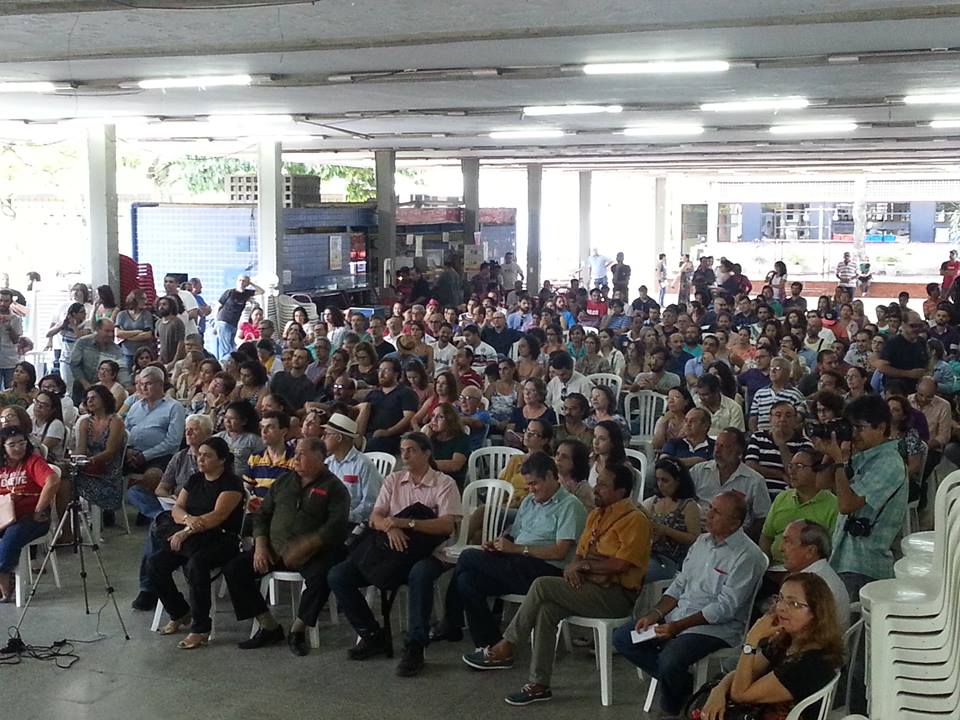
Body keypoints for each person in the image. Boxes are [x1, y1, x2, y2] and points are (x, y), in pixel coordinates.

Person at [463, 464, 651, 707]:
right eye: (597, 482)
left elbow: (619, 565)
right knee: (547, 610)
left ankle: (506, 645)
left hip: (616, 595)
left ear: (621, 490)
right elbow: (579, 556)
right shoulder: (596, 515)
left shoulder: (635, 519)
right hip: (589, 587)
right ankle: (539, 685)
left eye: (603, 485)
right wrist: (580, 566)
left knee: (542, 585)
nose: (596, 488)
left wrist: (583, 567)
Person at [613, 491, 768, 718]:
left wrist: (678, 627)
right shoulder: (702, 543)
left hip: (713, 629)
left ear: (735, 522)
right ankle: (683, 686)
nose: (708, 514)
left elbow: (724, 608)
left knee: (670, 659)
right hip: (678, 616)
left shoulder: (747, 555)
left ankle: (671, 709)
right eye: (710, 508)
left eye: (717, 512)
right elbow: (679, 585)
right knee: (624, 638)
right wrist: (655, 614)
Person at [328, 432, 462, 677]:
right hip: (391, 550)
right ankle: (371, 634)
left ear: (426, 453)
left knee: (420, 574)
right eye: (403, 450)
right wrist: (391, 527)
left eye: (411, 449)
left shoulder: (444, 483)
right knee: (338, 575)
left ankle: (416, 645)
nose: (405, 455)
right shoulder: (394, 480)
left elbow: (446, 526)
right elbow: (375, 517)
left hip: (431, 552)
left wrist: (406, 523)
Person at [434, 452, 587, 646]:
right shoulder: (528, 502)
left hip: (545, 570)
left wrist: (517, 548)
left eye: (534, 483)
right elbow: (514, 535)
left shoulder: (570, 506)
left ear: (550, 476)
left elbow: (559, 552)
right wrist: (498, 544)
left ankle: (451, 622)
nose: (531, 489)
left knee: (468, 556)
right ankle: (491, 644)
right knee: (467, 580)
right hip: (517, 563)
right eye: (528, 485)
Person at [223, 436, 351, 655]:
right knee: (234, 569)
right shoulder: (284, 481)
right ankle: (268, 625)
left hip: (313, 552)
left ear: (319, 457)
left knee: (322, 577)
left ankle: (298, 629)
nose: (296, 458)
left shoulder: (335, 488)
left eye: (302, 453)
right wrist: (261, 544)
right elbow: (262, 515)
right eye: (296, 453)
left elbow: (336, 527)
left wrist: (309, 544)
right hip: (274, 549)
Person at [698, 572, 843, 720]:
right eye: (780, 598)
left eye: (793, 604)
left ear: (816, 613)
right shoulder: (788, 641)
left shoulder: (810, 663)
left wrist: (751, 640)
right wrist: (718, 691)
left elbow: (740, 694)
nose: (781, 608)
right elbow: (746, 672)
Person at [146, 436, 243, 649]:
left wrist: (187, 531)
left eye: (207, 456)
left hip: (221, 537)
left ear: (222, 460)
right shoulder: (195, 479)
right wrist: (188, 521)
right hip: (192, 534)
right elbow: (177, 508)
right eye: (199, 455)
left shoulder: (231, 484)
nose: (201, 459)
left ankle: (200, 627)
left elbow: (217, 516)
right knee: (155, 563)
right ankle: (180, 612)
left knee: (197, 564)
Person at [812, 394, 907, 597]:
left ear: (881, 427)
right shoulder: (862, 456)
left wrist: (839, 461)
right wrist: (830, 452)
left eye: (859, 428)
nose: (853, 434)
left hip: (865, 566)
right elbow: (820, 484)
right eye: (851, 427)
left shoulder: (889, 462)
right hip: (842, 557)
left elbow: (846, 504)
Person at [128, 413, 214, 611]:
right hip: (175, 507)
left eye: (194, 429)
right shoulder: (180, 457)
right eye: (187, 430)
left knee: (156, 527)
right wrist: (171, 496)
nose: (189, 433)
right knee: (135, 493)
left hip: (199, 513)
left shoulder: (214, 458)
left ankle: (147, 589)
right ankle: (158, 514)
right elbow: (161, 488)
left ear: (208, 434)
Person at [0, 426, 60, 600]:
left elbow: (53, 481)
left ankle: (4, 576)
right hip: (5, 515)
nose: (18, 448)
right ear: (3, 447)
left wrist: (39, 509)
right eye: (12, 444)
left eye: (22, 443)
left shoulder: (33, 461)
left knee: (12, 535)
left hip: (32, 516)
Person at [760, 448, 839, 565]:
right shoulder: (782, 497)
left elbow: (831, 550)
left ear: (817, 470)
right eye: (791, 466)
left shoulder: (833, 505)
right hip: (773, 570)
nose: (792, 471)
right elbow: (766, 537)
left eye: (799, 466)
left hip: (809, 574)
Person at [690, 428, 770, 538]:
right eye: (717, 445)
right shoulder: (698, 471)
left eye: (725, 446)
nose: (717, 450)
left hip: (734, 537)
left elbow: (762, 518)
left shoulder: (754, 480)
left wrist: (739, 538)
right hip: (697, 533)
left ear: (739, 451)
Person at [124, 366, 188, 499]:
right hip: (132, 454)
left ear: (160, 384)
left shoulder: (174, 407)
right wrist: (128, 449)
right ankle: (109, 511)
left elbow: (173, 442)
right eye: (141, 384)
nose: (143, 388)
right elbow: (126, 431)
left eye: (148, 384)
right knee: (106, 468)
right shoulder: (136, 406)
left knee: (153, 476)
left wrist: (145, 455)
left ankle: (150, 513)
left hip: (160, 457)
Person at [641, 458, 701, 582]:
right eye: (657, 479)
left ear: (678, 481)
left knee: (637, 573)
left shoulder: (688, 506)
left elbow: (694, 538)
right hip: (647, 553)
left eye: (665, 480)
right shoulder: (653, 502)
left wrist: (667, 531)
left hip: (670, 560)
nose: (660, 484)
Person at [73, 385, 125, 524]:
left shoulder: (115, 421)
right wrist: (72, 458)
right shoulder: (85, 422)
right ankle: (78, 519)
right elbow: (81, 449)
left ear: (104, 399)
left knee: (71, 482)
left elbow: (110, 452)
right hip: (88, 469)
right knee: (66, 479)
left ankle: (91, 519)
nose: (90, 401)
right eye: (87, 398)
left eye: (94, 398)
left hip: (108, 473)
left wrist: (91, 461)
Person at [745, 401, 813, 500]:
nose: (782, 419)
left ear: (795, 421)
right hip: (757, 491)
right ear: (770, 418)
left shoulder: (804, 443)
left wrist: (781, 443)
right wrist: (780, 474)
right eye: (778, 415)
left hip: (786, 494)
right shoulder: (758, 437)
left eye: (788, 416)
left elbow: (795, 473)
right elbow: (750, 466)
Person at [356, 357, 419, 454]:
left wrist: (388, 432)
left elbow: (408, 418)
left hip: (392, 438)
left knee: (372, 444)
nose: (381, 374)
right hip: (368, 435)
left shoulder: (406, 393)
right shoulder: (373, 394)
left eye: (386, 370)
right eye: (380, 370)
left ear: (396, 374)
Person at [69, 317, 126, 400]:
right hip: (81, 387)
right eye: (107, 331)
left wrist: (127, 385)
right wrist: (85, 384)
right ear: (97, 329)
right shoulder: (83, 342)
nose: (110, 334)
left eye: (112, 331)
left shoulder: (116, 350)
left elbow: (122, 369)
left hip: (101, 391)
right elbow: (74, 365)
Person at [872, 310, 929, 394]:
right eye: (912, 326)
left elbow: (926, 362)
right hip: (896, 391)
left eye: (919, 326)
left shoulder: (921, 342)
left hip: (916, 391)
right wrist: (908, 374)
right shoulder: (893, 343)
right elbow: (882, 367)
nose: (917, 329)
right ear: (903, 325)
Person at [749, 358, 807, 432]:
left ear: (787, 372)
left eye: (777, 368)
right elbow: (753, 419)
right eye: (771, 368)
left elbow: (799, 420)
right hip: (762, 438)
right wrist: (756, 435)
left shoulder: (796, 395)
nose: (773, 371)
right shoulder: (759, 393)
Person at [423, 403, 470, 489]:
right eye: (433, 416)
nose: (434, 420)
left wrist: (426, 464)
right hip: (429, 481)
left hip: (450, 484)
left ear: (450, 420)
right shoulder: (431, 437)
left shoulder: (462, 439)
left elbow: (455, 465)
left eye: (440, 417)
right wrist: (427, 439)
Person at [216, 274, 263, 360]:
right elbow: (218, 306)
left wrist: (251, 283)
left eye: (244, 281)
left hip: (234, 324)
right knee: (225, 347)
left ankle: (229, 363)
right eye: (239, 280)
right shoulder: (229, 292)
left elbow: (261, 291)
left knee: (232, 347)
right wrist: (216, 322)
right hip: (224, 321)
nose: (241, 282)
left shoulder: (246, 294)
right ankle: (224, 364)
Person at [544, 352, 594, 418]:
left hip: (575, 418)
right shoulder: (555, 381)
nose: (560, 378)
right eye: (557, 374)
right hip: (555, 416)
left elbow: (588, 407)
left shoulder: (584, 383)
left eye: (563, 374)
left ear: (571, 369)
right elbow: (546, 400)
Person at [115, 289, 155, 372]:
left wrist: (127, 337)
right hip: (127, 353)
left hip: (143, 354)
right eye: (142, 299)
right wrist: (138, 331)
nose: (145, 301)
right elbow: (118, 333)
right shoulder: (122, 315)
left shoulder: (146, 314)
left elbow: (147, 335)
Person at [695, 373, 745, 438]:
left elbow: (734, 436)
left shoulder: (734, 408)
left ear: (716, 391)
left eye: (705, 395)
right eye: (699, 394)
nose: (701, 398)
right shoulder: (696, 406)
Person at [555, 438, 594, 509]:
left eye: (564, 457)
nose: (558, 459)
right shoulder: (549, 479)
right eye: (557, 454)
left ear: (576, 462)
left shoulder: (583, 489)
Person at [0, 289, 24, 391]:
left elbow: (15, 340)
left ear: (10, 302)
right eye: (0, 300)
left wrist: (9, 327)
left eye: (6, 301)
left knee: (10, 390)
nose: (2, 303)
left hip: (9, 360)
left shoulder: (16, 319)